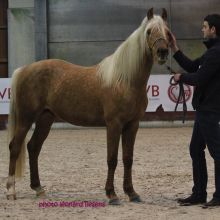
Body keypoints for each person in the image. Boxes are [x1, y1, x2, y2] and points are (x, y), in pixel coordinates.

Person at [169, 14, 220, 207]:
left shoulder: (216, 53)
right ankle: (199, 193)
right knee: (195, 148)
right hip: (204, 108)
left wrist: (181, 78)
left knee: (217, 152)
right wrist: (175, 49)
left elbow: (199, 78)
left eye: (205, 26)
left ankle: (217, 196)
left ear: (213, 29)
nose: (202, 29)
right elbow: (192, 66)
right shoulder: (212, 52)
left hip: (210, 109)